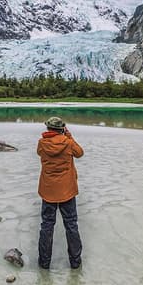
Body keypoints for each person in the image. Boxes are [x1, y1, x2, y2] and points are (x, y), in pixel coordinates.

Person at [36, 116, 84, 270]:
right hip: (67, 190)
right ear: (61, 129)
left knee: (47, 225)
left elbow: (39, 153)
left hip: (48, 190)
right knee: (71, 225)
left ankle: (44, 263)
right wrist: (68, 136)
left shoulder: (42, 144)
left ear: (48, 129)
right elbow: (80, 153)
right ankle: (75, 263)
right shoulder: (68, 143)